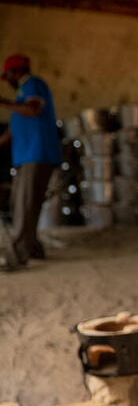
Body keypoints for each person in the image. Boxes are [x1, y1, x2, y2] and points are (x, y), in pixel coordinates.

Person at [0, 54, 61, 271]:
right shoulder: (21, 94)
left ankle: (16, 257)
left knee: (24, 207)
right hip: (26, 156)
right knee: (23, 204)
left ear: (14, 72)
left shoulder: (32, 85)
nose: (7, 82)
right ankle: (33, 247)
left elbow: (34, 109)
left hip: (37, 154)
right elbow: (12, 130)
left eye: (7, 77)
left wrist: (5, 103)